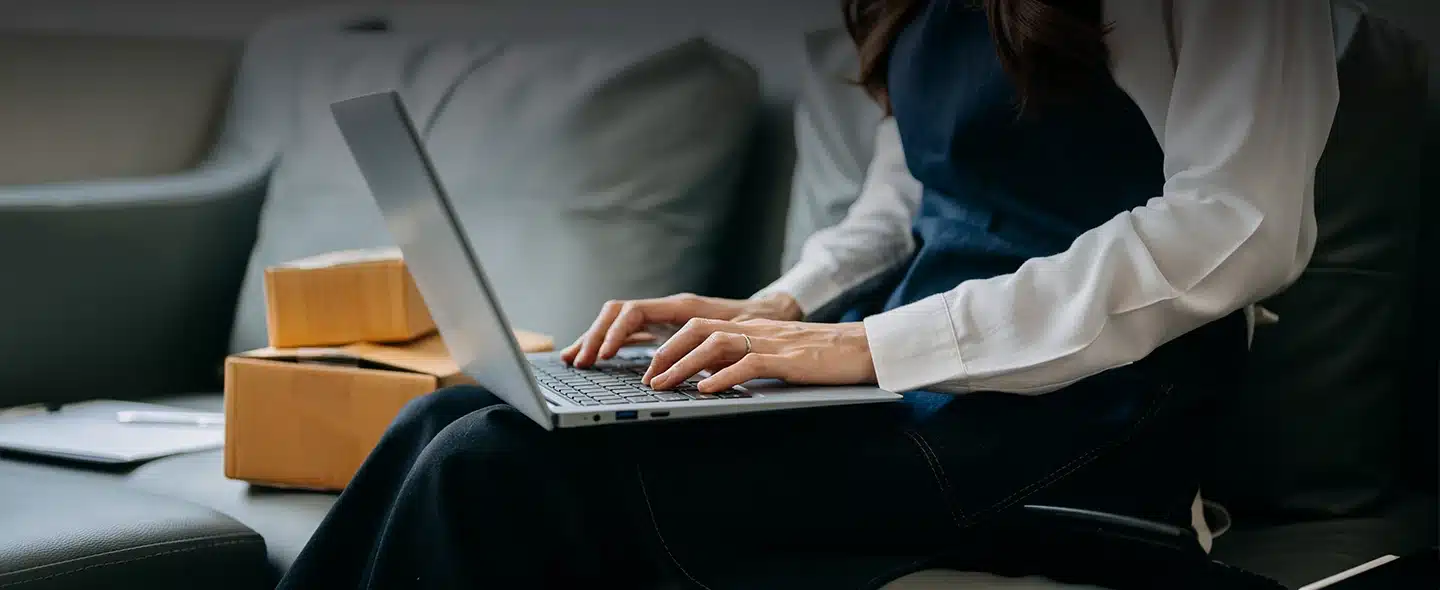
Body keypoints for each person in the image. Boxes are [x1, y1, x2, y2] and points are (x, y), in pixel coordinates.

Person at [279, 0, 1339, 588]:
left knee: (491, 466)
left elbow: (1240, 223)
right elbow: (907, 199)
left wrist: (874, 344)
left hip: (1091, 403)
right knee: (454, 409)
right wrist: (774, 308)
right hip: (912, 362)